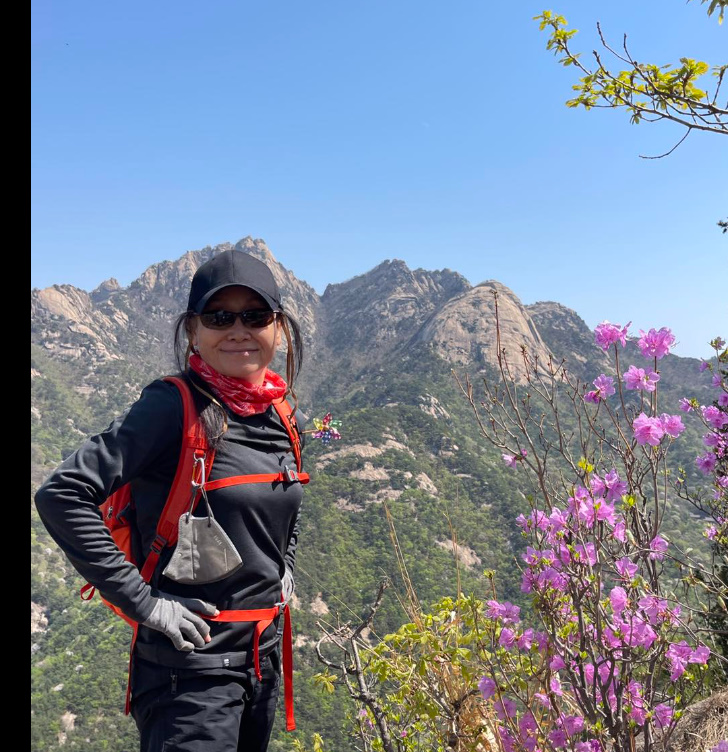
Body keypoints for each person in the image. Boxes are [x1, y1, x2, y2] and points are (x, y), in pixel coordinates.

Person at [35, 250, 307, 752]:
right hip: (190, 679)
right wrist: (147, 606)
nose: (239, 330)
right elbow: (62, 494)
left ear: (279, 327)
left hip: (261, 662)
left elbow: (284, 507)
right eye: (219, 317)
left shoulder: (281, 414)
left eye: (255, 316)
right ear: (193, 331)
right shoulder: (172, 407)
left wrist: (283, 566)